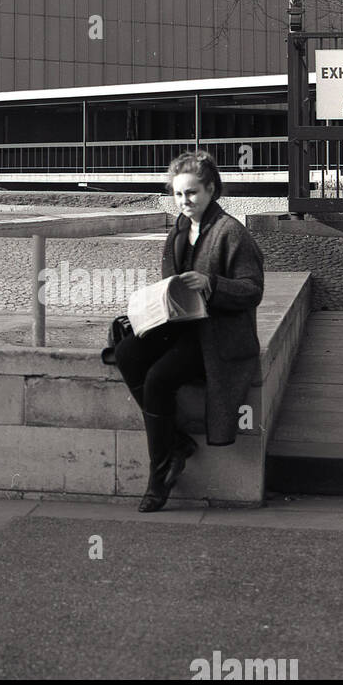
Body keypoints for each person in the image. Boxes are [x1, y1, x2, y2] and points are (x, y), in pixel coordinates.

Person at [112, 151, 264, 512]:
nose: (185, 201)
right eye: (179, 194)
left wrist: (211, 283)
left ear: (211, 190)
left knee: (159, 378)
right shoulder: (179, 230)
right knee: (126, 352)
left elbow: (253, 289)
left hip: (218, 337)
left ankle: (160, 473)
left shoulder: (232, 233)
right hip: (182, 326)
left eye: (192, 193)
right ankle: (175, 442)